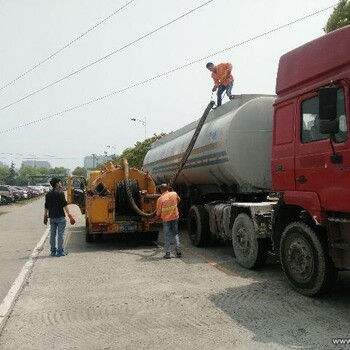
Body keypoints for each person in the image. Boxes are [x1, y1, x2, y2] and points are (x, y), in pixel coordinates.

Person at [44, 177, 75, 257]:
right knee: (60, 235)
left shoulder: (48, 194)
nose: (61, 184)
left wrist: (45, 215)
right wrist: (70, 215)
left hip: (52, 217)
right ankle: (60, 251)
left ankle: (53, 251)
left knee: (52, 235)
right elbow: (65, 205)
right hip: (60, 217)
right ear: (57, 184)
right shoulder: (60, 193)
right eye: (60, 182)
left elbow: (46, 206)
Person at [154, 183, 181, 259]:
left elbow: (158, 212)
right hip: (175, 217)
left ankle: (168, 253)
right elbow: (179, 200)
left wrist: (156, 218)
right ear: (168, 188)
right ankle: (178, 250)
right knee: (175, 234)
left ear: (161, 190)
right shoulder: (174, 194)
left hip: (166, 219)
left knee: (167, 236)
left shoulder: (160, 199)